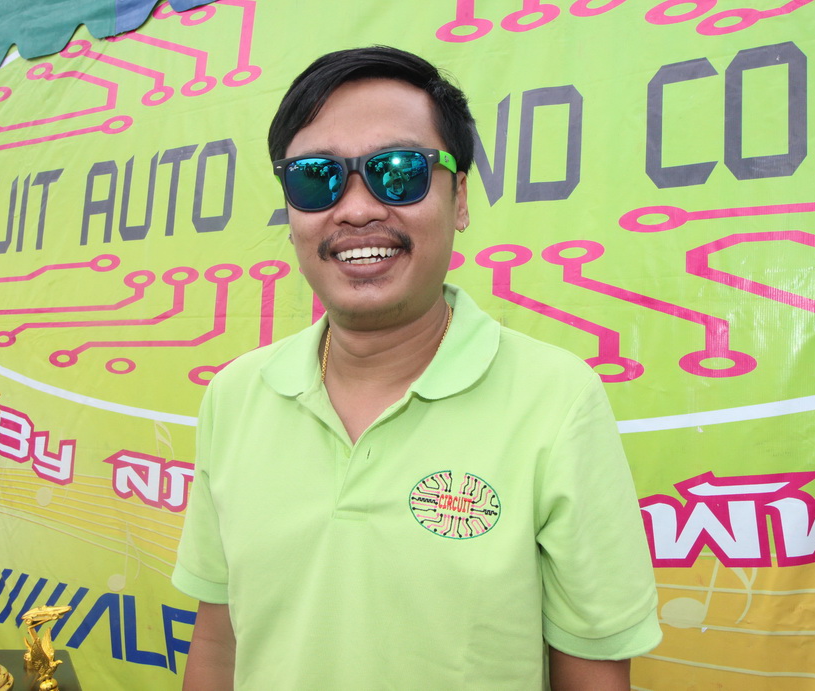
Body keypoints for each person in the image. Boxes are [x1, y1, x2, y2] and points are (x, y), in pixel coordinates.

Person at [172, 45, 661, 690]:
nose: (356, 210)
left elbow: (592, 674)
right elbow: (218, 641)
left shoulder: (557, 400)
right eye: (317, 177)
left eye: (398, 172)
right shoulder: (235, 395)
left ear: (460, 198)